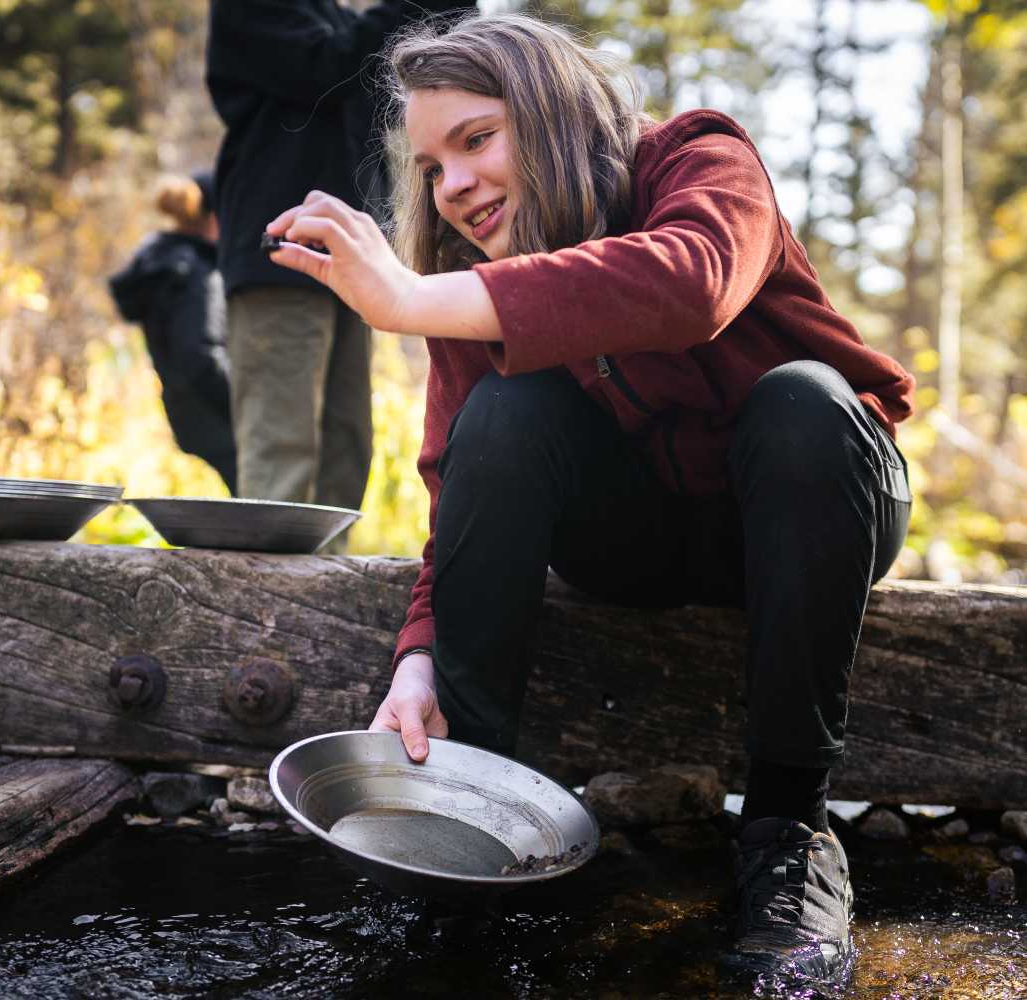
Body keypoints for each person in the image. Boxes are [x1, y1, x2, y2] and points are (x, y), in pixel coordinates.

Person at [265, 11, 914, 991]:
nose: (454, 188)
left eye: (476, 140)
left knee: (801, 400)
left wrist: (406, 299)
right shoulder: (461, 289)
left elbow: (692, 284)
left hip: (815, 507)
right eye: (434, 165)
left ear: (552, 111)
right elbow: (458, 481)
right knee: (508, 408)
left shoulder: (697, 156)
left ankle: (790, 835)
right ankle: (464, 817)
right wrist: (418, 657)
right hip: (638, 541)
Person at [206, 0, 470, 522]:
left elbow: (397, 95)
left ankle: (322, 587)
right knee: (281, 450)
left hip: (353, 260)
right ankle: (265, 594)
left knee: (347, 449)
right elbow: (327, 68)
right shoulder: (251, 11)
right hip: (278, 255)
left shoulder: (340, 17)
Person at [109, 171, 238, 493]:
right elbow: (200, 354)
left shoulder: (165, 265)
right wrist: (245, 403)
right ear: (214, 217)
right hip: (216, 417)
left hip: (187, 410)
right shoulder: (197, 275)